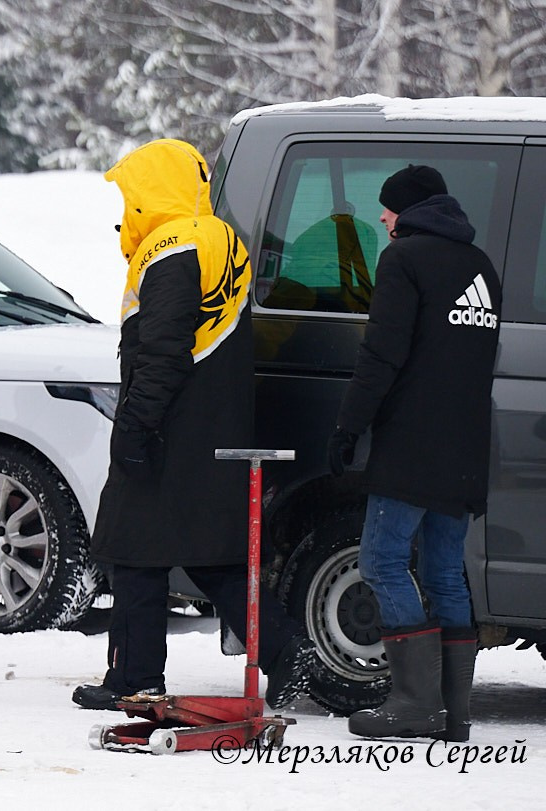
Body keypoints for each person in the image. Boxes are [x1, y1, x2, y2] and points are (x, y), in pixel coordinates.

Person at [74, 139, 321, 711]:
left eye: (130, 195)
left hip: (168, 432)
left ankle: (134, 679)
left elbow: (163, 351)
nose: (125, 210)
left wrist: (135, 427)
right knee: (215, 558)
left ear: (151, 191)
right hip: (217, 428)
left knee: (133, 553)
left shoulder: (170, 247)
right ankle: (287, 651)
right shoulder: (221, 240)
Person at [332, 164, 502, 742]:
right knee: (443, 571)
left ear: (408, 209)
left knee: (381, 560)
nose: (382, 217)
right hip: (466, 444)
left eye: (387, 207)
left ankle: (413, 703)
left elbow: (381, 354)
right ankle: (454, 712)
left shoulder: (403, 259)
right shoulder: (480, 266)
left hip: (412, 442)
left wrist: (348, 426)